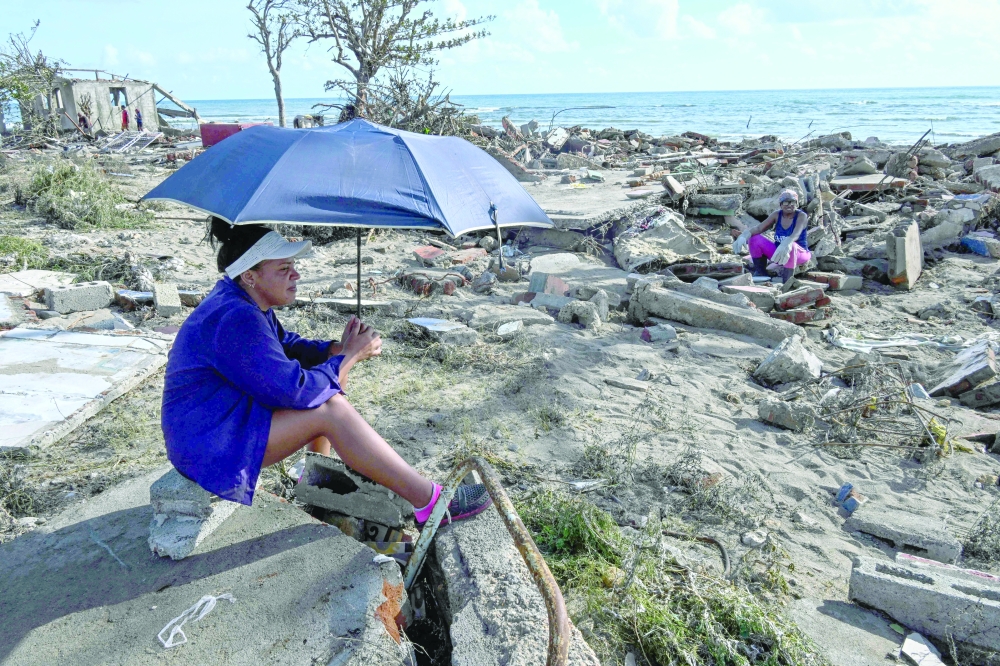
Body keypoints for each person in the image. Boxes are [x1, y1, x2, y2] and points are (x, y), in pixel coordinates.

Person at [161, 219, 492, 526]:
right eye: (284, 269)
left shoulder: (242, 302)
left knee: (327, 378)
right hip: (208, 446)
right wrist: (349, 357)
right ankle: (431, 504)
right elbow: (295, 391)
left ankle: (317, 479)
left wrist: (334, 350)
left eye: (294, 267)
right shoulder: (236, 318)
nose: (297, 276)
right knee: (330, 409)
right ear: (251, 276)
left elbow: (287, 346)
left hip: (221, 425)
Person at [732, 189, 811, 283]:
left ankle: (787, 282)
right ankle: (761, 273)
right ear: (781, 204)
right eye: (786, 202)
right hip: (779, 253)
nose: (789, 205)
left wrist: (788, 242)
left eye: (792, 202)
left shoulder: (801, 216)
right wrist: (744, 235)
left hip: (799, 254)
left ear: (797, 204)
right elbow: (759, 228)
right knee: (754, 238)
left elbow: (796, 234)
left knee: (791, 245)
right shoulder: (777, 214)